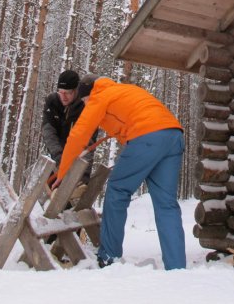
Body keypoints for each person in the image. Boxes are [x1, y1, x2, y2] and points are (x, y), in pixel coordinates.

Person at [55, 73, 186, 270]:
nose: (85, 103)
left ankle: (109, 257)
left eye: (84, 99)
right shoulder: (126, 90)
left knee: (117, 191)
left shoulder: (100, 96)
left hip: (147, 137)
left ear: (88, 94)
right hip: (173, 135)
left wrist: (62, 174)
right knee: (166, 204)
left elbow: (78, 134)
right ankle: (176, 266)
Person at [42, 69, 94, 183]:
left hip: (78, 160)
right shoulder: (52, 102)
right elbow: (48, 133)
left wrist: (82, 173)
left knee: (74, 192)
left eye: (68, 93)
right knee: (48, 192)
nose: (63, 97)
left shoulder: (85, 106)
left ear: (76, 90)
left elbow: (88, 142)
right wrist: (60, 158)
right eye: (61, 92)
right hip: (56, 158)